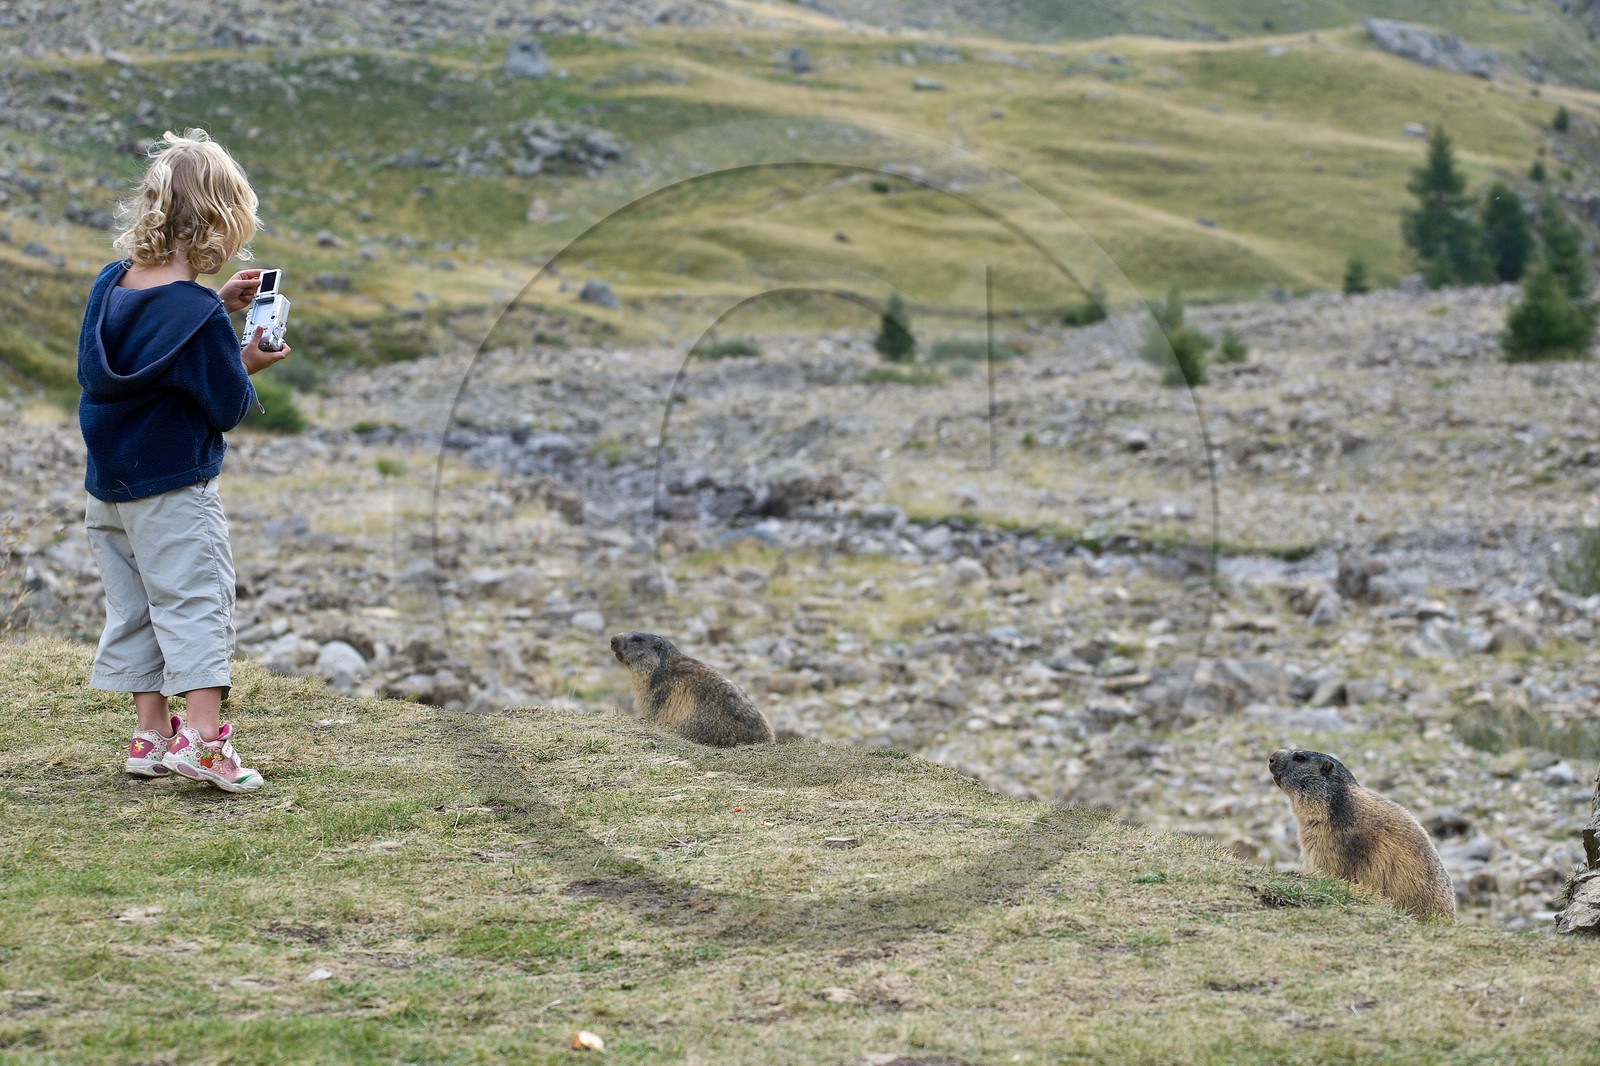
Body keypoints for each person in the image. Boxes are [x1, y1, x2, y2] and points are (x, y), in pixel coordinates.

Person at [77, 128, 289, 793]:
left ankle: (152, 734)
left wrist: (216, 308)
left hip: (109, 488)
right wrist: (247, 356)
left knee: (135, 604)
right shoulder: (194, 314)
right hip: (171, 488)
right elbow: (225, 402)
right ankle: (200, 740)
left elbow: (149, 346)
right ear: (222, 226)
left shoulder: (113, 286)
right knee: (196, 601)